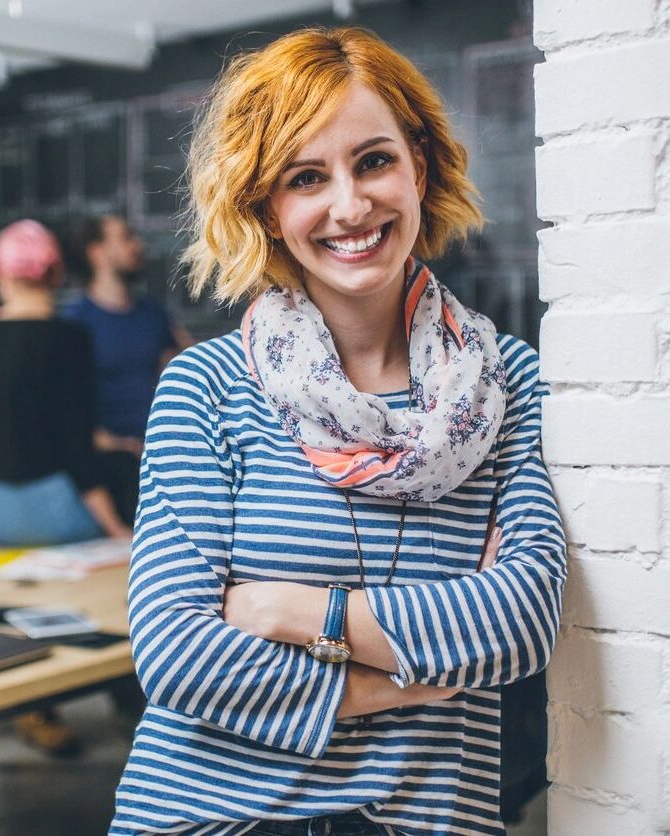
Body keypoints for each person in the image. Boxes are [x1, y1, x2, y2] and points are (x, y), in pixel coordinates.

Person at [111, 27, 566, 836]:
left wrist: (292, 612)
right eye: (305, 177)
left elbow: (522, 622)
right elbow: (175, 655)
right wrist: (425, 676)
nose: (349, 206)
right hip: (212, 818)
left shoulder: (507, 385)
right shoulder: (206, 387)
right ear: (267, 206)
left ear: (417, 166)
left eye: (373, 161)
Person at [0, 219, 132, 546]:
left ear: (2, 278)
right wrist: (116, 528)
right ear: (57, 273)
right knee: (128, 466)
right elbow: (76, 445)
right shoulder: (69, 339)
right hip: (50, 516)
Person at [66, 215, 193, 460]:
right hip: (103, 459)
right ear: (96, 252)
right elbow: (66, 402)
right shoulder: (75, 322)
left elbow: (186, 371)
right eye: (126, 238)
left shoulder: (153, 313)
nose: (138, 245)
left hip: (159, 450)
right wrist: (110, 444)